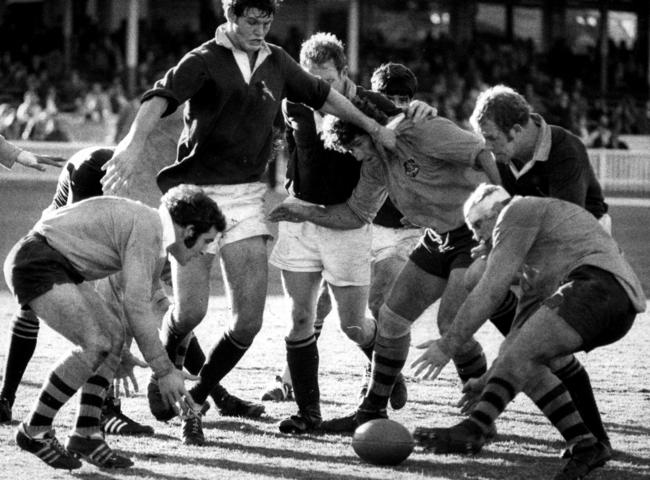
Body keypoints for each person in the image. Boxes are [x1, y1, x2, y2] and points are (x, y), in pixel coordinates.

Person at [100, 0, 396, 446]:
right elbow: (159, 98)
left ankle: (194, 402)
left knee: (248, 322)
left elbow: (324, 95)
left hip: (246, 197)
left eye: (267, 21)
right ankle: (172, 356)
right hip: (195, 199)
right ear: (230, 18)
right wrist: (130, 144)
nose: (260, 29)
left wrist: (372, 127)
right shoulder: (202, 60)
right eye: (251, 21)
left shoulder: (277, 61)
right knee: (193, 310)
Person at [268, 95, 501, 432]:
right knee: (390, 319)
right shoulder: (376, 165)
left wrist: (502, 209)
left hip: (472, 234)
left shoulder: (422, 129)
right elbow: (355, 214)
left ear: (371, 129)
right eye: (352, 152)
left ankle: (481, 419)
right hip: (437, 238)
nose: (358, 155)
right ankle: (371, 412)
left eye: (359, 145)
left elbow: (482, 152)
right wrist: (302, 211)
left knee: (451, 322)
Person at [409, 184, 645, 480]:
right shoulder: (535, 264)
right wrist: (485, 380)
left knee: (515, 338)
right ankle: (586, 444)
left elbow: (491, 290)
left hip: (599, 287)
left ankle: (475, 428)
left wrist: (447, 346)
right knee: (528, 358)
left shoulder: (516, 210)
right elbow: (514, 347)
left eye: (478, 225)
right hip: (607, 301)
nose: (475, 236)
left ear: (496, 211)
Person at [264, 37, 434, 433]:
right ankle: (309, 414)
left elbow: (415, 129)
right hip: (299, 216)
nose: (317, 89)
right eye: (310, 80)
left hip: (347, 222)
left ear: (344, 73)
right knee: (300, 316)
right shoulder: (295, 101)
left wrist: (426, 114)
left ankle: (384, 363)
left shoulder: (371, 105)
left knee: (353, 324)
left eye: (326, 79)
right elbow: (290, 145)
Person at [3, 184, 226, 470]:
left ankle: (86, 435)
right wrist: (164, 370)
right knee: (96, 342)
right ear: (189, 230)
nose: (205, 252)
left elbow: (129, 303)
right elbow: (136, 307)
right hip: (36, 260)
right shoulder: (151, 229)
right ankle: (35, 430)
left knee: (113, 338)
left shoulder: (153, 229)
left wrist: (119, 355)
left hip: (53, 261)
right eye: (207, 241)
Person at [466, 84, 614, 454]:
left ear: (518, 129)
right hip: (537, 245)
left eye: (492, 137)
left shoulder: (564, 150)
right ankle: (590, 439)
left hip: (582, 249)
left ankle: (592, 439)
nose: (488, 147)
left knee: (542, 346)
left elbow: (565, 224)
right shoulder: (505, 156)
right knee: (482, 282)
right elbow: (509, 213)